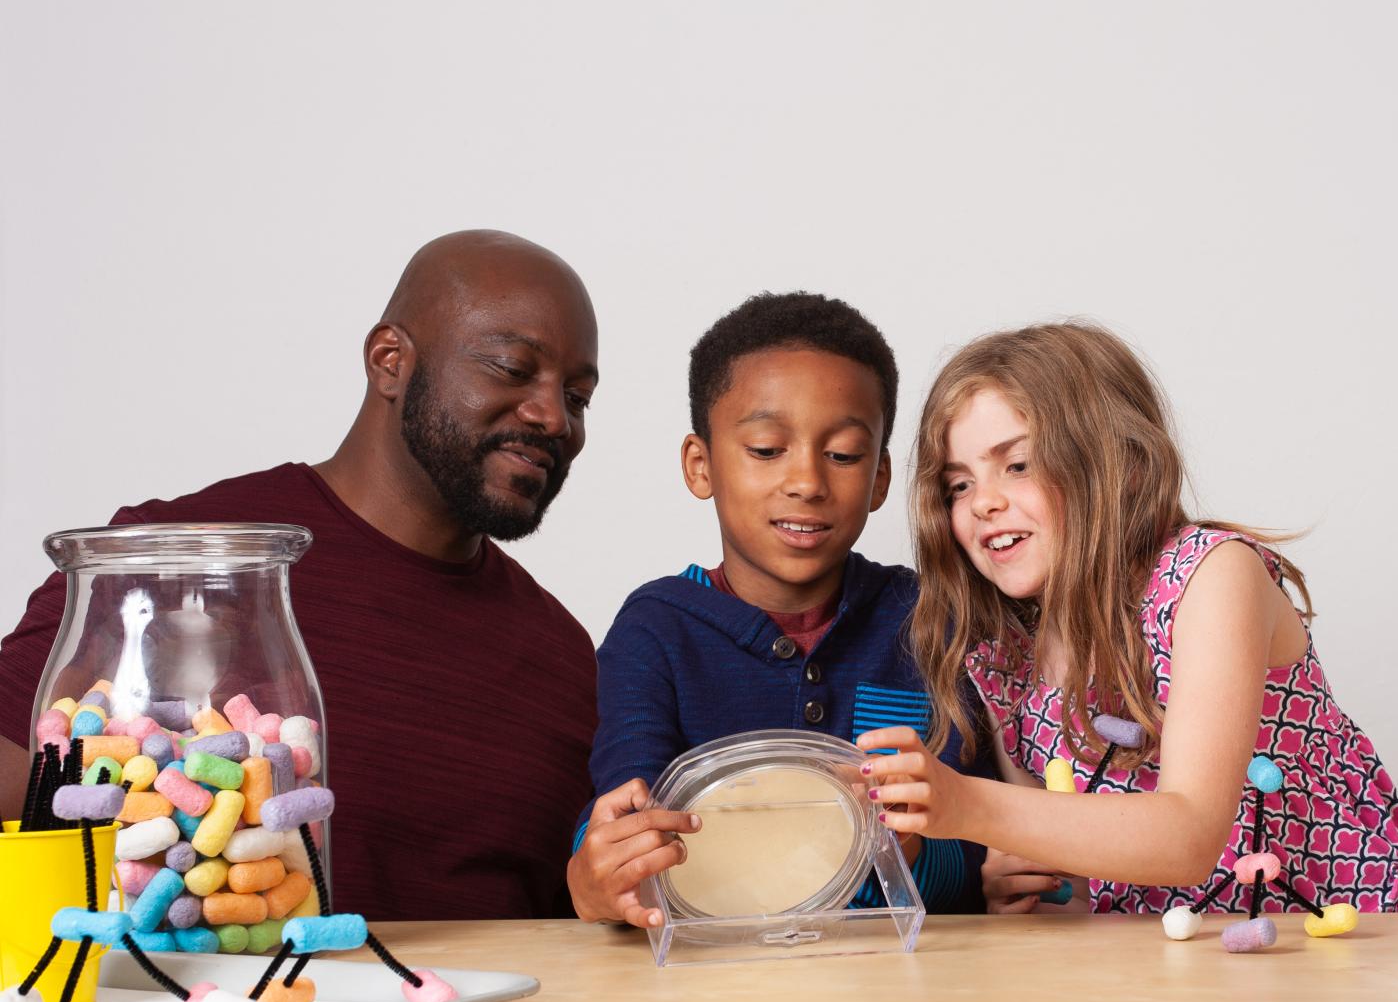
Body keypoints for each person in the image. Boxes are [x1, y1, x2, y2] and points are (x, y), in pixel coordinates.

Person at [0, 230, 601, 920]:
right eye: (512, 367)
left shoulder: (563, 658)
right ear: (389, 361)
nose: (553, 417)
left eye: (578, 397)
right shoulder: (166, 565)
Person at [858, 322, 1398, 915]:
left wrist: (969, 806)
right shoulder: (1003, 655)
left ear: (1119, 463)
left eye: (1018, 465)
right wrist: (1029, 878)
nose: (982, 501)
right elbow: (1075, 872)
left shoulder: (1213, 578)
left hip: (1337, 954)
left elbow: (1187, 837)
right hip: (1164, 977)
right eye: (959, 484)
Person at [568, 292, 988, 927]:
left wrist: (917, 852)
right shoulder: (656, 628)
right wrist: (597, 876)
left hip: (897, 992)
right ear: (700, 465)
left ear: (879, 478)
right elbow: (623, 817)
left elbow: (976, 854)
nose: (808, 483)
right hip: (710, 992)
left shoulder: (927, 620)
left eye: (843, 454)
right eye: (767, 449)